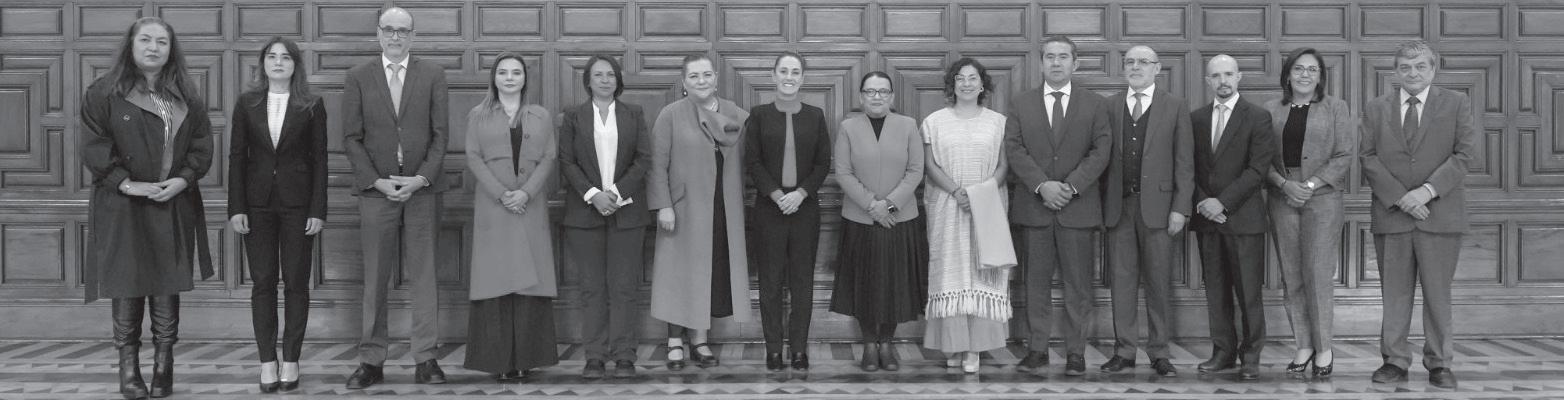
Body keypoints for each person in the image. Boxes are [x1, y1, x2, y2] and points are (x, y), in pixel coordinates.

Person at [79, 17, 214, 400]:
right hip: (122, 203)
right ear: (131, 44)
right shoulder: (104, 92)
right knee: (127, 282)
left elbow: (202, 145)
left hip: (172, 201)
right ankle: (129, 369)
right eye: (146, 40)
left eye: (162, 42)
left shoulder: (186, 94)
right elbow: (93, 145)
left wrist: (184, 179)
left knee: (167, 283)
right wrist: (126, 182)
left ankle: (163, 366)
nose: (153, 47)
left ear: (171, 50)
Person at [340, 7, 451, 389]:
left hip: (423, 190)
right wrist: (376, 181)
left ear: (413, 36)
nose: (396, 36)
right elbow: (351, 138)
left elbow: (441, 135)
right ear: (378, 33)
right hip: (377, 192)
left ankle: (426, 358)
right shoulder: (358, 76)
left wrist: (421, 178)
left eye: (403, 30)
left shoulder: (433, 74)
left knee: (425, 277)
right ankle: (371, 360)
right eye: (389, 29)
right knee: (375, 278)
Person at [1362, 40, 1478, 389]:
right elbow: (1367, 157)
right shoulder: (1376, 107)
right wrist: (1402, 198)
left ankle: (1439, 363)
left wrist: (1425, 192)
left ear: (1433, 68)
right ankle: (1394, 361)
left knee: (1437, 294)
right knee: (1394, 294)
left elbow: (1464, 154)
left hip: (1439, 215)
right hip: (1393, 215)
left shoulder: (1456, 103)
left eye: (1420, 66)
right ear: (1395, 71)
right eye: (1405, 67)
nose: (1412, 73)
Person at [1003, 35, 1112, 377]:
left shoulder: (1095, 104)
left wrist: (1070, 186)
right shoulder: (1021, 103)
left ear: (1075, 63)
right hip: (1035, 208)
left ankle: (1075, 352)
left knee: (1078, 286)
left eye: (1063, 56)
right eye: (1050, 56)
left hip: (1077, 208)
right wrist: (1042, 185)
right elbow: (1014, 148)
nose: (1056, 62)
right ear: (1041, 63)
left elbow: (1101, 151)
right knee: (1035, 284)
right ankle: (1037, 349)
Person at [226, 36, 327, 393]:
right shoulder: (246, 103)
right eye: (272, 56)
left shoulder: (311, 104)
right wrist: (236, 207)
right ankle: (267, 361)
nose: (278, 62)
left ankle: (292, 359)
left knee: (296, 283)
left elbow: (320, 159)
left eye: (285, 57)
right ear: (263, 64)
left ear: (295, 65)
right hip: (257, 205)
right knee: (263, 282)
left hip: (299, 206)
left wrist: (318, 209)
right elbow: (237, 156)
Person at [647, 54, 752, 370]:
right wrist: (663, 205)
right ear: (684, 81)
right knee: (677, 274)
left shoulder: (736, 114)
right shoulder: (671, 115)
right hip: (682, 209)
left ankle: (700, 340)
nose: (701, 81)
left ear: (716, 78)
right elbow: (657, 165)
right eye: (694, 76)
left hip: (724, 208)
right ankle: (674, 342)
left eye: (706, 74)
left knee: (708, 274)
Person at [461, 53, 560, 382]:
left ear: (524, 78)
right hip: (494, 208)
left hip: (529, 207)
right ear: (494, 78)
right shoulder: (478, 114)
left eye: (516, 72)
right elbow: (473, 156)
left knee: (530, 284)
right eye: (503, 72)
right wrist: (502, 194)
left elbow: (549, 157)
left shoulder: (541, 115)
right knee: (496, 282)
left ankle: (526, 359)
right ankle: (498, 361)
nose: (509, 78)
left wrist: (526, 193)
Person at [1102, 45, 1194, 378]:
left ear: (1157, 68)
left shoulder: (1175, 106)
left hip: (1160, 209)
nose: (1136, 67)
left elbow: (1185, 162)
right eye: (1130, 62)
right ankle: (1124, 351)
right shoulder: (1110, 105)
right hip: (1119, 208)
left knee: (1158, 284)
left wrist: (1180, 208)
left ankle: (1159, 352)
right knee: (1122, 283)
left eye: (1143, 62)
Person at [558, 54, 652, 379]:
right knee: (592, 288)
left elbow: (643, 159)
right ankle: (595, 356)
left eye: (610, 74)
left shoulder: (633, 113)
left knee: (624, 287)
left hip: (627, 212)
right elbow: (566, 161)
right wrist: (593, 195)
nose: (605, 80)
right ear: (588, 80)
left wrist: (615, 193)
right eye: (598, 75)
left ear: (618, 80)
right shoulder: (573, 116)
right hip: (584, 213)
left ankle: (624, 355)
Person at [1264, 47, 1354, 378]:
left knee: (1317, 274)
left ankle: (1324, 348)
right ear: (1288, 75)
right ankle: (1303, 344)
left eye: (1312, 70)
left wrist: (1311, 184)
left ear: (1320, 76)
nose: (1305, 75)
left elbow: (1344, 154)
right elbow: (1260, 158)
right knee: (1292, 275)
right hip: (1282, 197)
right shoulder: (1270, 109)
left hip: (1323, 198)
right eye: (1298, 69)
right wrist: (1283, 184)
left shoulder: (1335, 107)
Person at [830, 71, 928, 373]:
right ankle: (869, 344)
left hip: (900, 219)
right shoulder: (848, 127)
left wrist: (890, 205)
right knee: (865, 284)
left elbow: (916, 170)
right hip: (860, 219)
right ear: (861, 97)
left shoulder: (908, 125)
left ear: (892, 96)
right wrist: (873, 205)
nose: (877, 97)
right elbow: (842, 172)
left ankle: (887, 342)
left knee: (895, 284)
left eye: (883, 91)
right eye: (870, 91)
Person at [921, 57, 1014, 374]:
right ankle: (954, 344)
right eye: (960, 78)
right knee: (951, 272)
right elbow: (930, 164)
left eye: (973, 78)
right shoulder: (934, 121)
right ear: (952, 84)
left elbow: (1003, 165)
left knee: (981, 271)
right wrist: (957, 191)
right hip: (947, 205)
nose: (966, 83)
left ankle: (975, 348)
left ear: (982, 84)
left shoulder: (998, 122)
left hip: (987, 206)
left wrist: (978, 194)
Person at [1190, 54, 1275, 381]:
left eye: (1228, 74)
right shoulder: (1196, 119)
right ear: (1207, 80)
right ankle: (1222, 351)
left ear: (1239, 77)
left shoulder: (1258, 117)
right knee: (1216, 291)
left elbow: (1258, 169)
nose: (1222, 81)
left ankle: (1251, 355)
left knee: (1248, 292)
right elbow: (1189, 167)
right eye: (1216, 76)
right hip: (1207, 219)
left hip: (1243, 218)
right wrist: (1204, 202)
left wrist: (1222, 203)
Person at [745, 51, 832, 371]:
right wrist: (778, 194)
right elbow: (752, 161)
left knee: (801, 283)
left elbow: (823, 163)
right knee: (769, 283)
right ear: (773, 76)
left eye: (795, 72)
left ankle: (798, 349)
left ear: (803, 78)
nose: (789, 77)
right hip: (769, 210)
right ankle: (773, 350)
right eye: (783, 71)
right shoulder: (759, 115)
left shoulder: (815, 115)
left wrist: (800, 194)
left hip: (805, 209)